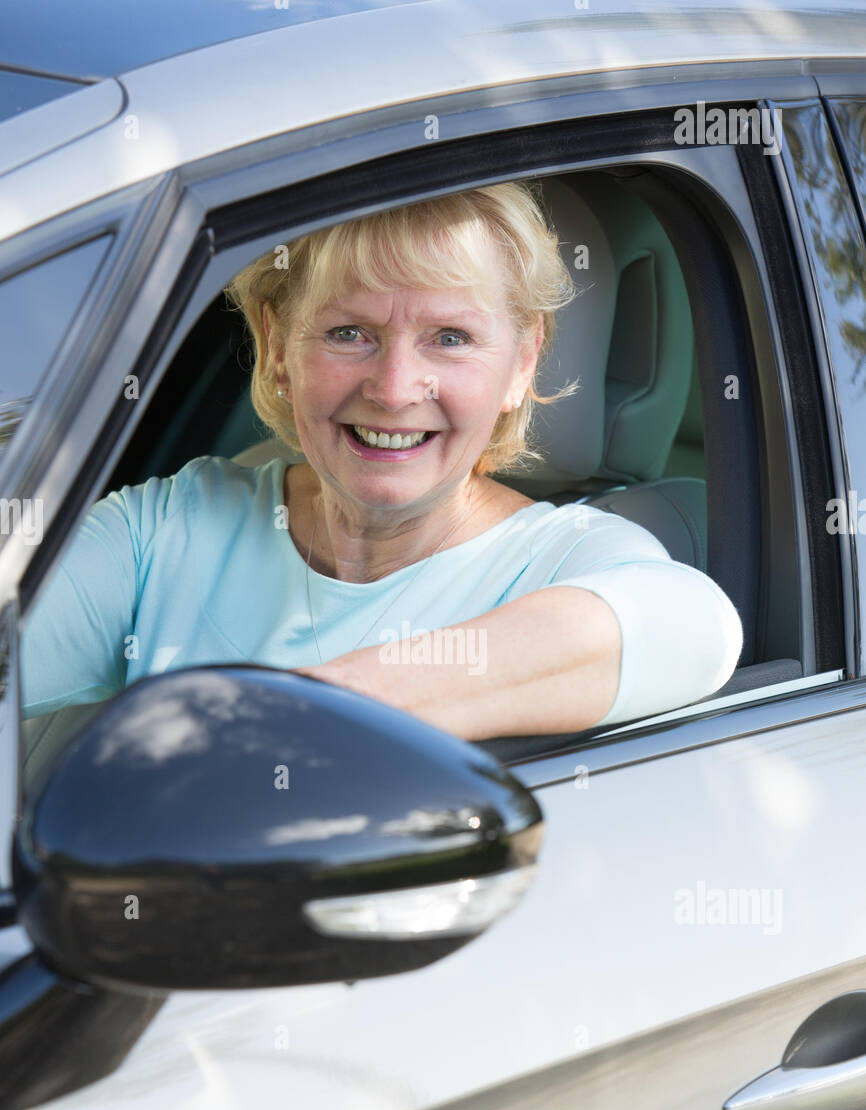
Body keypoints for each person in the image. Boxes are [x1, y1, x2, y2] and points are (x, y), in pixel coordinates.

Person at [20, 181, 742, 740]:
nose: (395, 390)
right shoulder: (178, 522)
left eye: (451, 338)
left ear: (522, 362)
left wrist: (274, 726)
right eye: (349, 332)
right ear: (276, 345)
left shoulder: (564, 560)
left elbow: (695, 629)